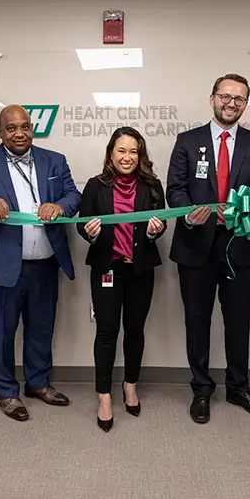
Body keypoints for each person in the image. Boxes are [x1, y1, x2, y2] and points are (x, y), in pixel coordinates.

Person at [0, 105, 81, 421]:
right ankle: (7, 392)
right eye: (11, 128)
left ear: (32, 129)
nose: (19, 133)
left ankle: (38, 383)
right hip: (0, 267)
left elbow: (74, 196)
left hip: (44, 264)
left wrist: (60, 207)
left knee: (41, 328)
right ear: (0, 133)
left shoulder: (55, 160)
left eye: (24, 126)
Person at [165, 73, 250, 424]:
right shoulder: (187, 140)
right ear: (212, 98)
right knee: (197, 321)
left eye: (239, 99)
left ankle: (238, 387)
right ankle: (201, 389)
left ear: (246, 103)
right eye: (225, 96)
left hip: (240, 246)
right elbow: (176, 189)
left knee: (238, 321)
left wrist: (239, 213)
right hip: (195, 247)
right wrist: (191, 216)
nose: (231, 103)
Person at [76, 127, 167, 432]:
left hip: (140, 270)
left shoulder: (153, 185)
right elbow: (81, 223)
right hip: (107, 268)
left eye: (133, 151)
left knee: (135, 330)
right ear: (111, 153)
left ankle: (130, 386)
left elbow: (160, 224)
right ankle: (104, 396)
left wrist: (155, 231)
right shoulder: (94, 186)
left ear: (139, 155)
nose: (127, 158)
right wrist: (88, 233)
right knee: (106, 332)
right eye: (121, 151)